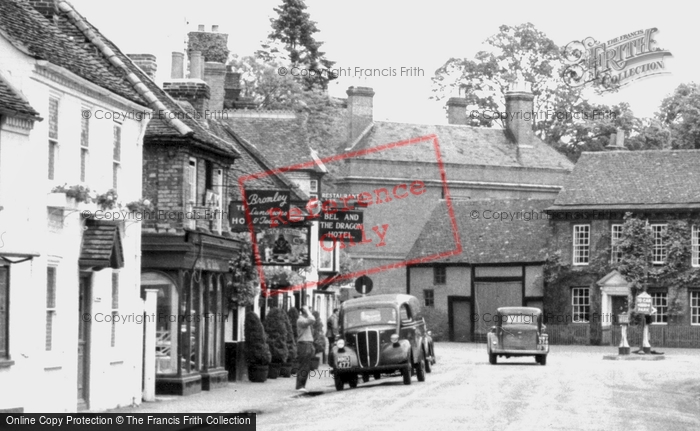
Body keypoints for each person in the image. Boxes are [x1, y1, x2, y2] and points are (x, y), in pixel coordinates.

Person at [295, 305, 315, 393]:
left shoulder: (303, 320)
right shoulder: (301, 320)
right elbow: (312, 319)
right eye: (309, 311)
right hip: (304, 344)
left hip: (307, 343)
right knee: (304, 365)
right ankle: (300, 386)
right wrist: (307, 310)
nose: (310, 312)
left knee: (306, 366)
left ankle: (302, 385)